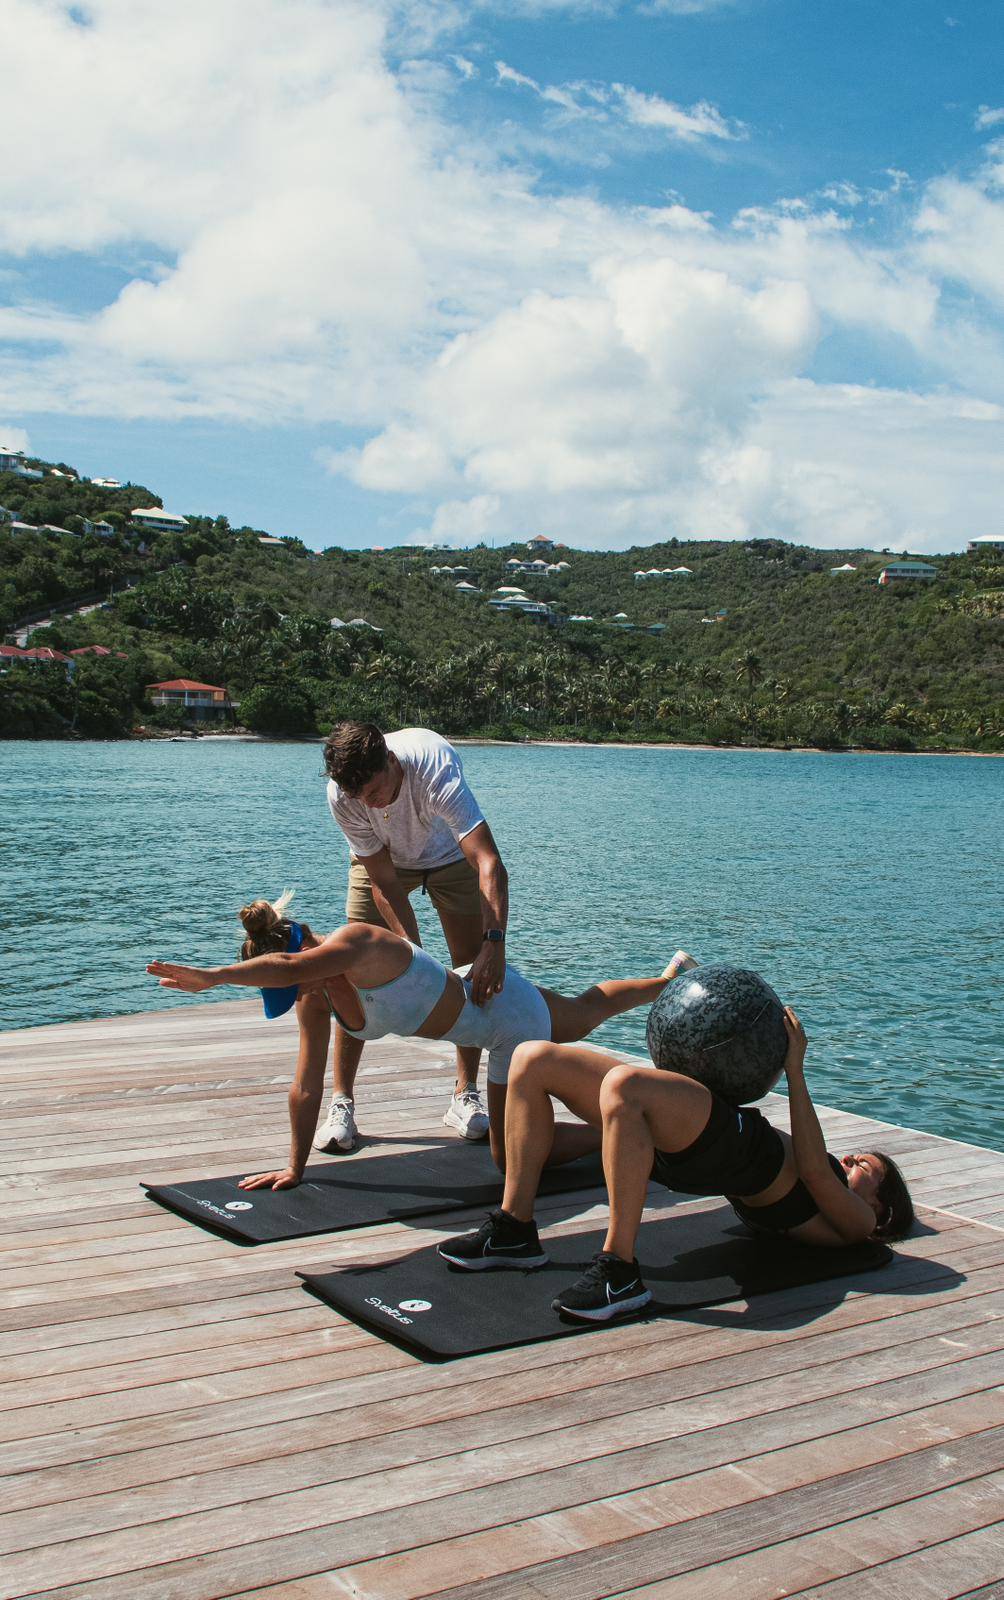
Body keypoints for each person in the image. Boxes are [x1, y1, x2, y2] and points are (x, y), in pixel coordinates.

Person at [438, 954, 914, 1323]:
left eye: (863, 1167)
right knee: (531, 1057)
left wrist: (794, 1070)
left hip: (735, 1152)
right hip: (710, 1140)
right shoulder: (844, 1213)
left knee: (625, 1087)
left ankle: (619, 1271)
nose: (848, 1158)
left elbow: (812, 1168)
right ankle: (515, 1231)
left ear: (882, 1210)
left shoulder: (856, 1225)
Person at [147, 895, 691, 1189]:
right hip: (478, 998)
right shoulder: (316, 998)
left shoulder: (359, 944)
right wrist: (295, 1167)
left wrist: (214, 976)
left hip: (505, 1022)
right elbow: (305, 1084)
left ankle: (624, 1133)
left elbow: (291, 964)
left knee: (511, 1156)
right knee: (581, 1011)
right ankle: (667, 986)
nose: (295, 994)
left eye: (288, 986)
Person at [321, 722, 510, 1153]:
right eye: (361, 798)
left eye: (376, 792)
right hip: (384, 865)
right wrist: (416, 963)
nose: (371, 803)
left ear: (390, 760)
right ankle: (342, 1102)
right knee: (353, 969)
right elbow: (384, 883)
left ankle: (464, 1095)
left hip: (450, 857)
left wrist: (494, 943)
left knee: (471, 969)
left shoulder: (432, 764)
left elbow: (488, 861)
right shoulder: (342, 796)